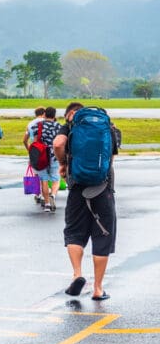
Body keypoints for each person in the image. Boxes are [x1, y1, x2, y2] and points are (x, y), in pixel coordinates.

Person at [54, 102, 117, 301]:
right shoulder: (107, 127)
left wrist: (63, 164)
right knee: (103, 236)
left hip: (77, 188)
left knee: (74, 232)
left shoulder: (71, 126)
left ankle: (77, 274)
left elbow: (57, 144)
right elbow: (111, 157)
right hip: (103, 188)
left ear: (70, 114)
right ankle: (98, 288)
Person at [25, 106, 61, 212]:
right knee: (56, 179)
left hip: (41, 156)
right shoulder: (59, 126)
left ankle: (47, 204)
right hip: (54, 155)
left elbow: (35, 142)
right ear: (54, 116)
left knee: (43, 180)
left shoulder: (37, 126)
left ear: (44, 114)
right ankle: (53, 195)